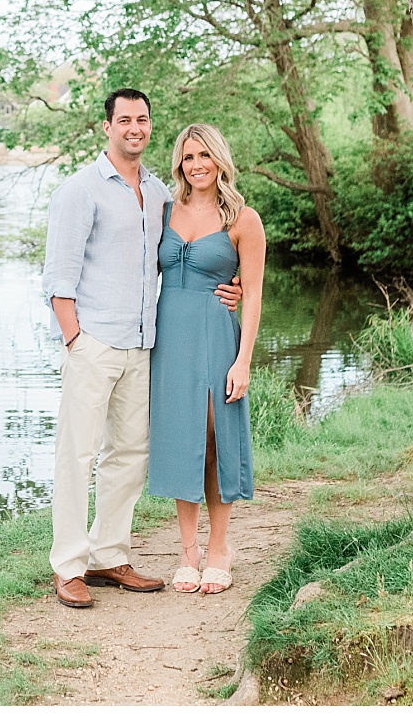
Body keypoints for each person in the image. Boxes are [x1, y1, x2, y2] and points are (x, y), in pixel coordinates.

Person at [40, 90, 240, 610]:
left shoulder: (156, 193)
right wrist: (75, 339)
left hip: (144, 345)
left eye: (143, 119)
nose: (135, 127)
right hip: (94, 342)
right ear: (106, 126)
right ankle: (69, 564)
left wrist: (230, 285)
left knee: (128, 455)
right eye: (124, 119)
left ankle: (110, 554)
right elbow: (58, 278)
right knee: (77, 455)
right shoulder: (79, 191)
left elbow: (181, 260)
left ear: (151, 128)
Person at [148, 123, 265, 596]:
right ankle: (187, 551)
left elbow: (253, 295)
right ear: (179, 163)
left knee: (214, 436)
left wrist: (244, 361)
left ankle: (219, 548)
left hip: (217, 334)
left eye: (204, 156)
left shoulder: (243, 219)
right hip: (170, 336)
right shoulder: (162, 212)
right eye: (187, 157)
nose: (195, 165)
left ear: (220, 159)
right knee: (180, 438)